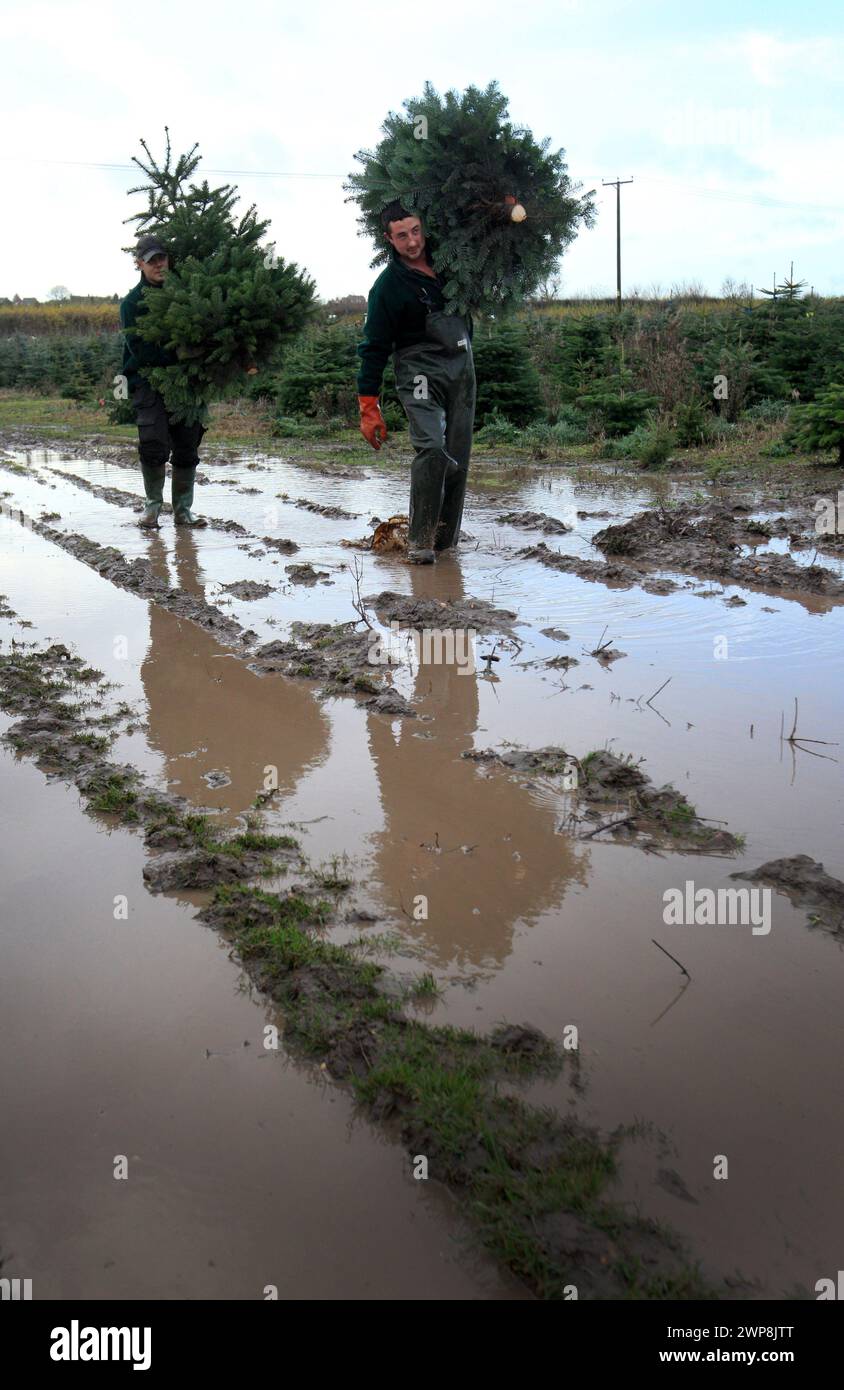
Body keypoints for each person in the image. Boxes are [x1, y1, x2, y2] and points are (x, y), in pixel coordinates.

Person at [356, 203, 476, 563]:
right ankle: (421, 543)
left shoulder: (450, 264)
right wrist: (368, 406)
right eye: (402, 235)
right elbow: (373, 348)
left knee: (459, 455)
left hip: (461, 370)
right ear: (388, 239)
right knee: (432, 446)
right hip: (420, 373)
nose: (412, 242)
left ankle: (446, 542)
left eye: (416, 231)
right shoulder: (388, 287)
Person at [119, 235, 207, 528]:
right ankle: (152, 509)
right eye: (152, 260)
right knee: (153, 442)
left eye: (162, 258)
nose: (159, 264)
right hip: (148, 380)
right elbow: (141, 351)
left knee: (187, 443)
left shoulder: (184, 293)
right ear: (139, 263)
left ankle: (183, 511)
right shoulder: (132, 304)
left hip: (187, 382)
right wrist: (182, 353)